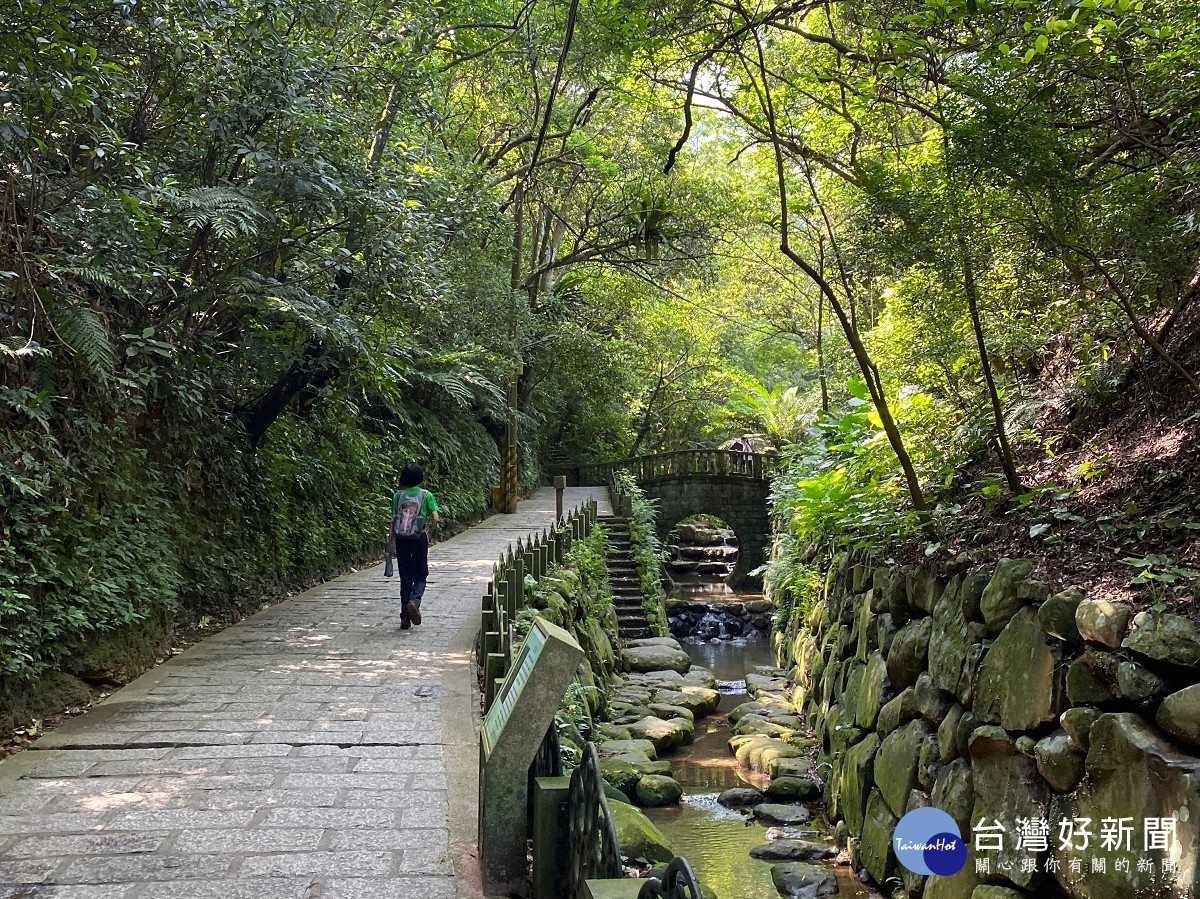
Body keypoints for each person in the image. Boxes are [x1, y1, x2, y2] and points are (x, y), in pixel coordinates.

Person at [389, 462, 440, 630]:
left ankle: (405, 619)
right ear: (420, 478)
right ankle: (415, 600)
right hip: (419, 538)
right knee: (420, 574)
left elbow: (394, 519)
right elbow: (436, 518)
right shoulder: (426, 495)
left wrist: (392, 541)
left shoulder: (398, 496)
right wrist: (430, 534)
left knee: (405, 578)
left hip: (402, 539)